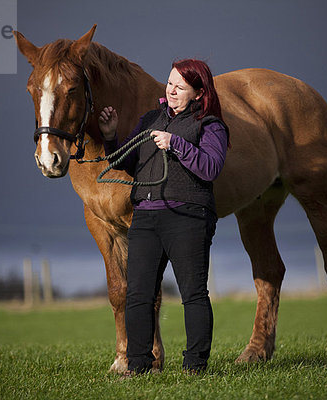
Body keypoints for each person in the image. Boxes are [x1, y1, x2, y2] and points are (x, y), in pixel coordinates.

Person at [98, 59, 229, 375]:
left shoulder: (211, 125)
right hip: (145, 219)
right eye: (170, 83)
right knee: (139, 295)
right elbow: (126, 162)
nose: (171, 90)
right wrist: (111, 136)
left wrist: (177, 144)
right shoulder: (150, 120)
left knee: (193, 294)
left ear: (199, 93)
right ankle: (139, 364)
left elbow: (210, 168)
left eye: (180, 87)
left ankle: (195, 364)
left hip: (189, 217)